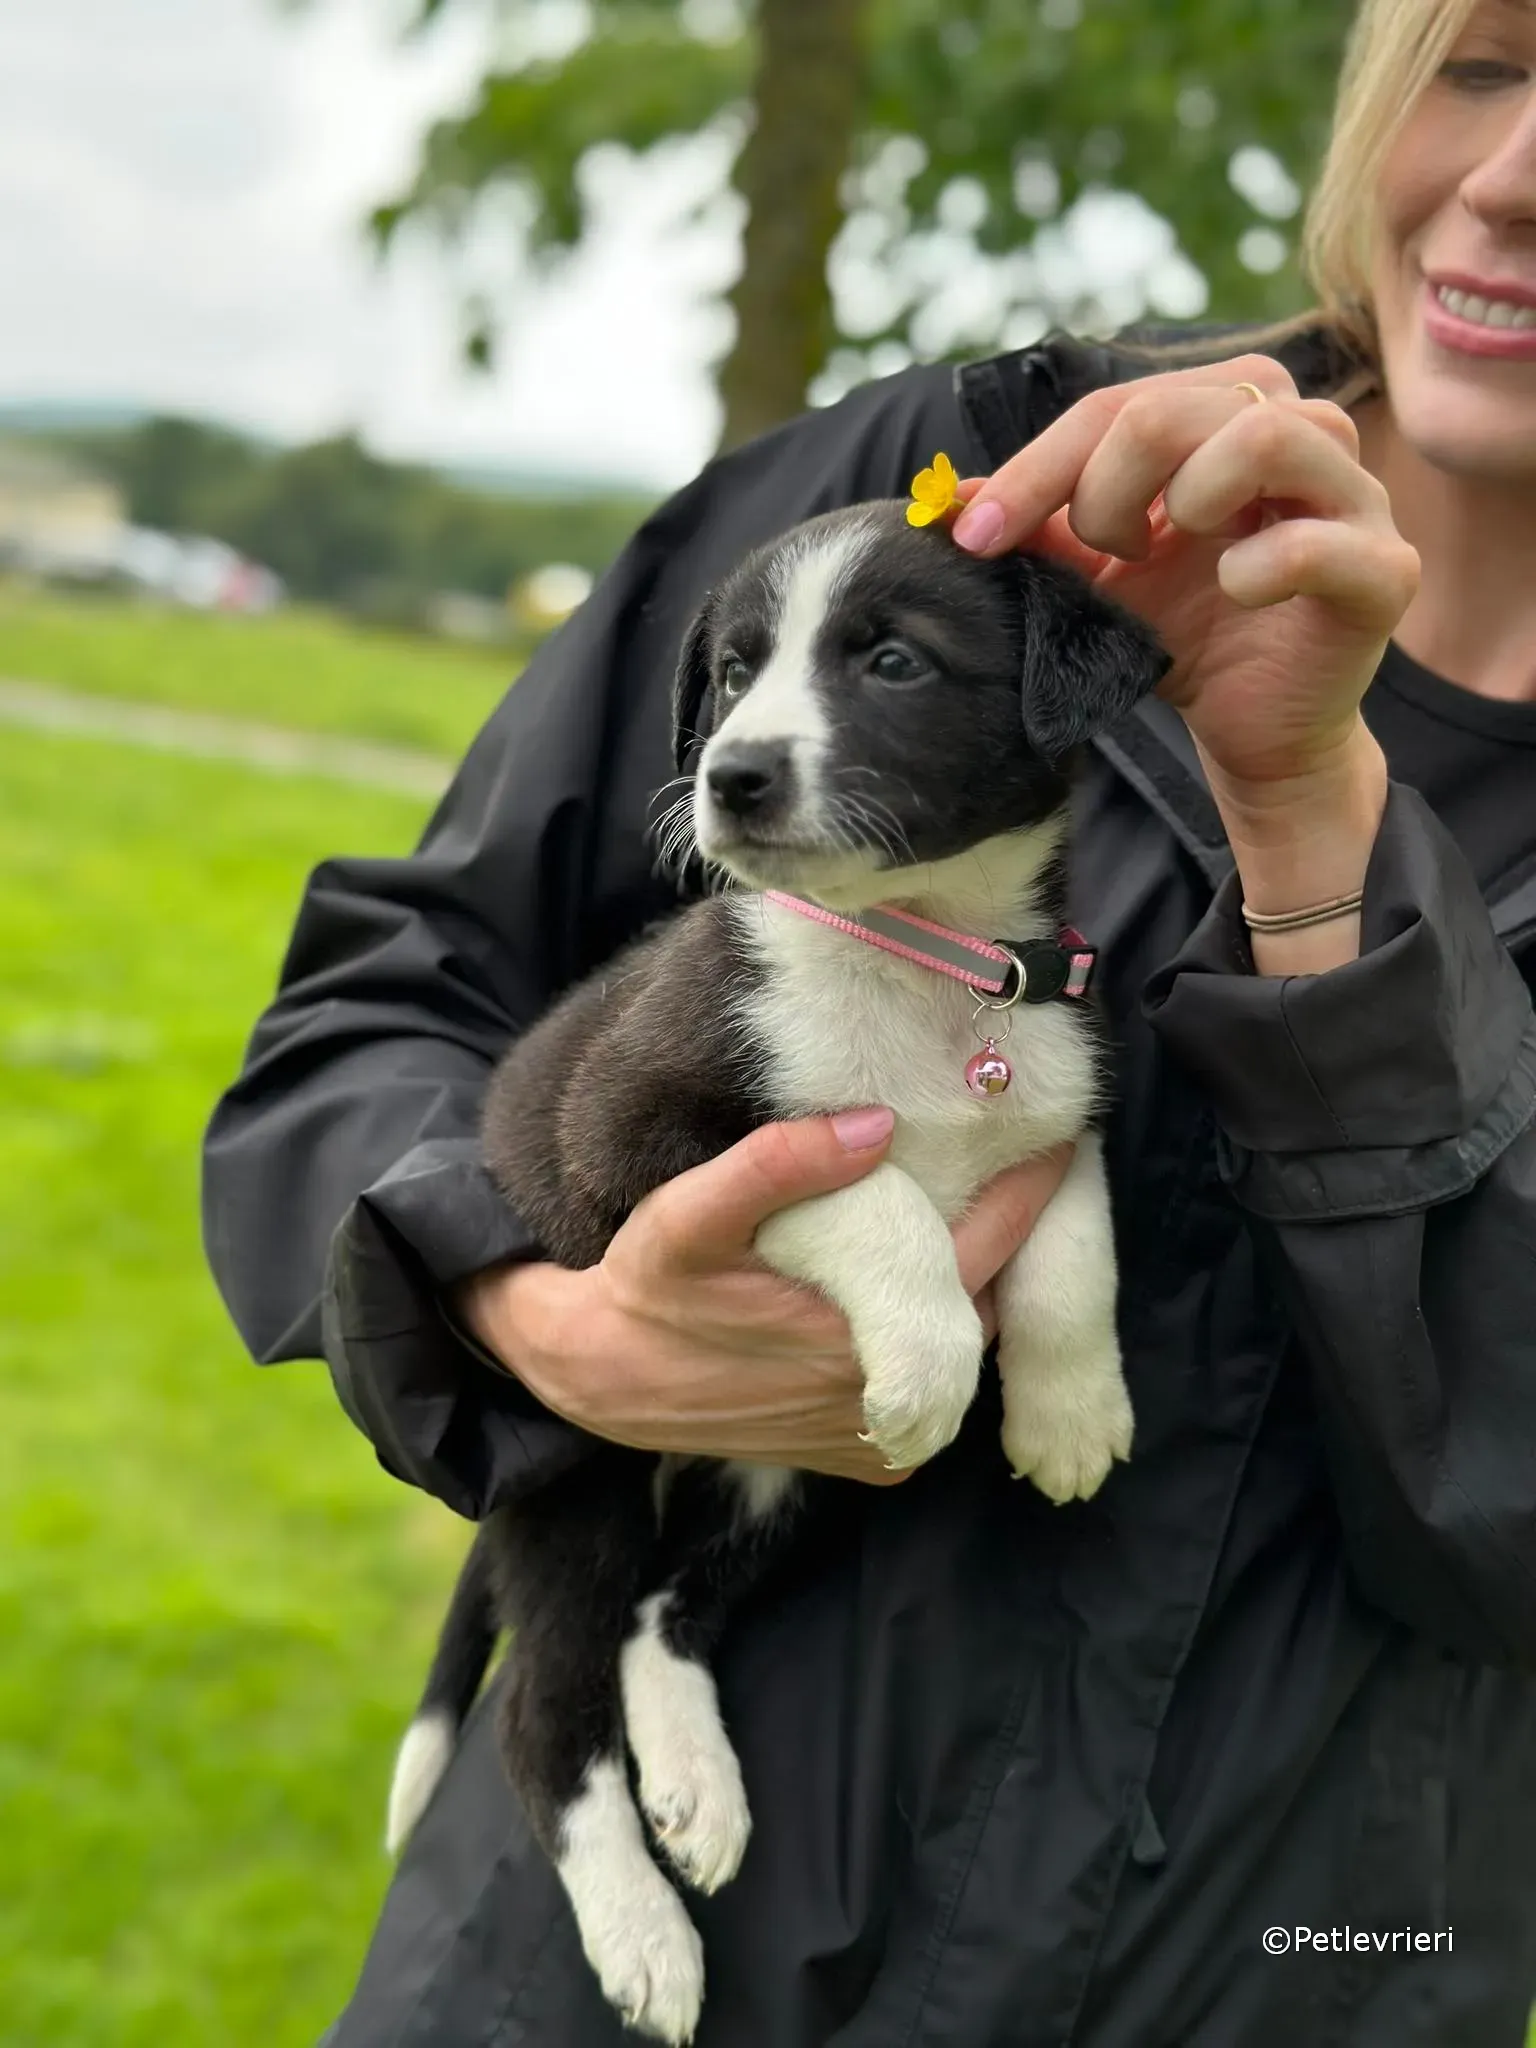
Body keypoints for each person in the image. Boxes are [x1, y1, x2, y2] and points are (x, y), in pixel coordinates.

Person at [202, 0, 1536, 2039]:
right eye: (1489, 61)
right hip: (597, 1977)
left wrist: (1310, 832)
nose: (1518, 179)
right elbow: (387, 1006)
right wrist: (523, 1308)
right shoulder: (963, 486)